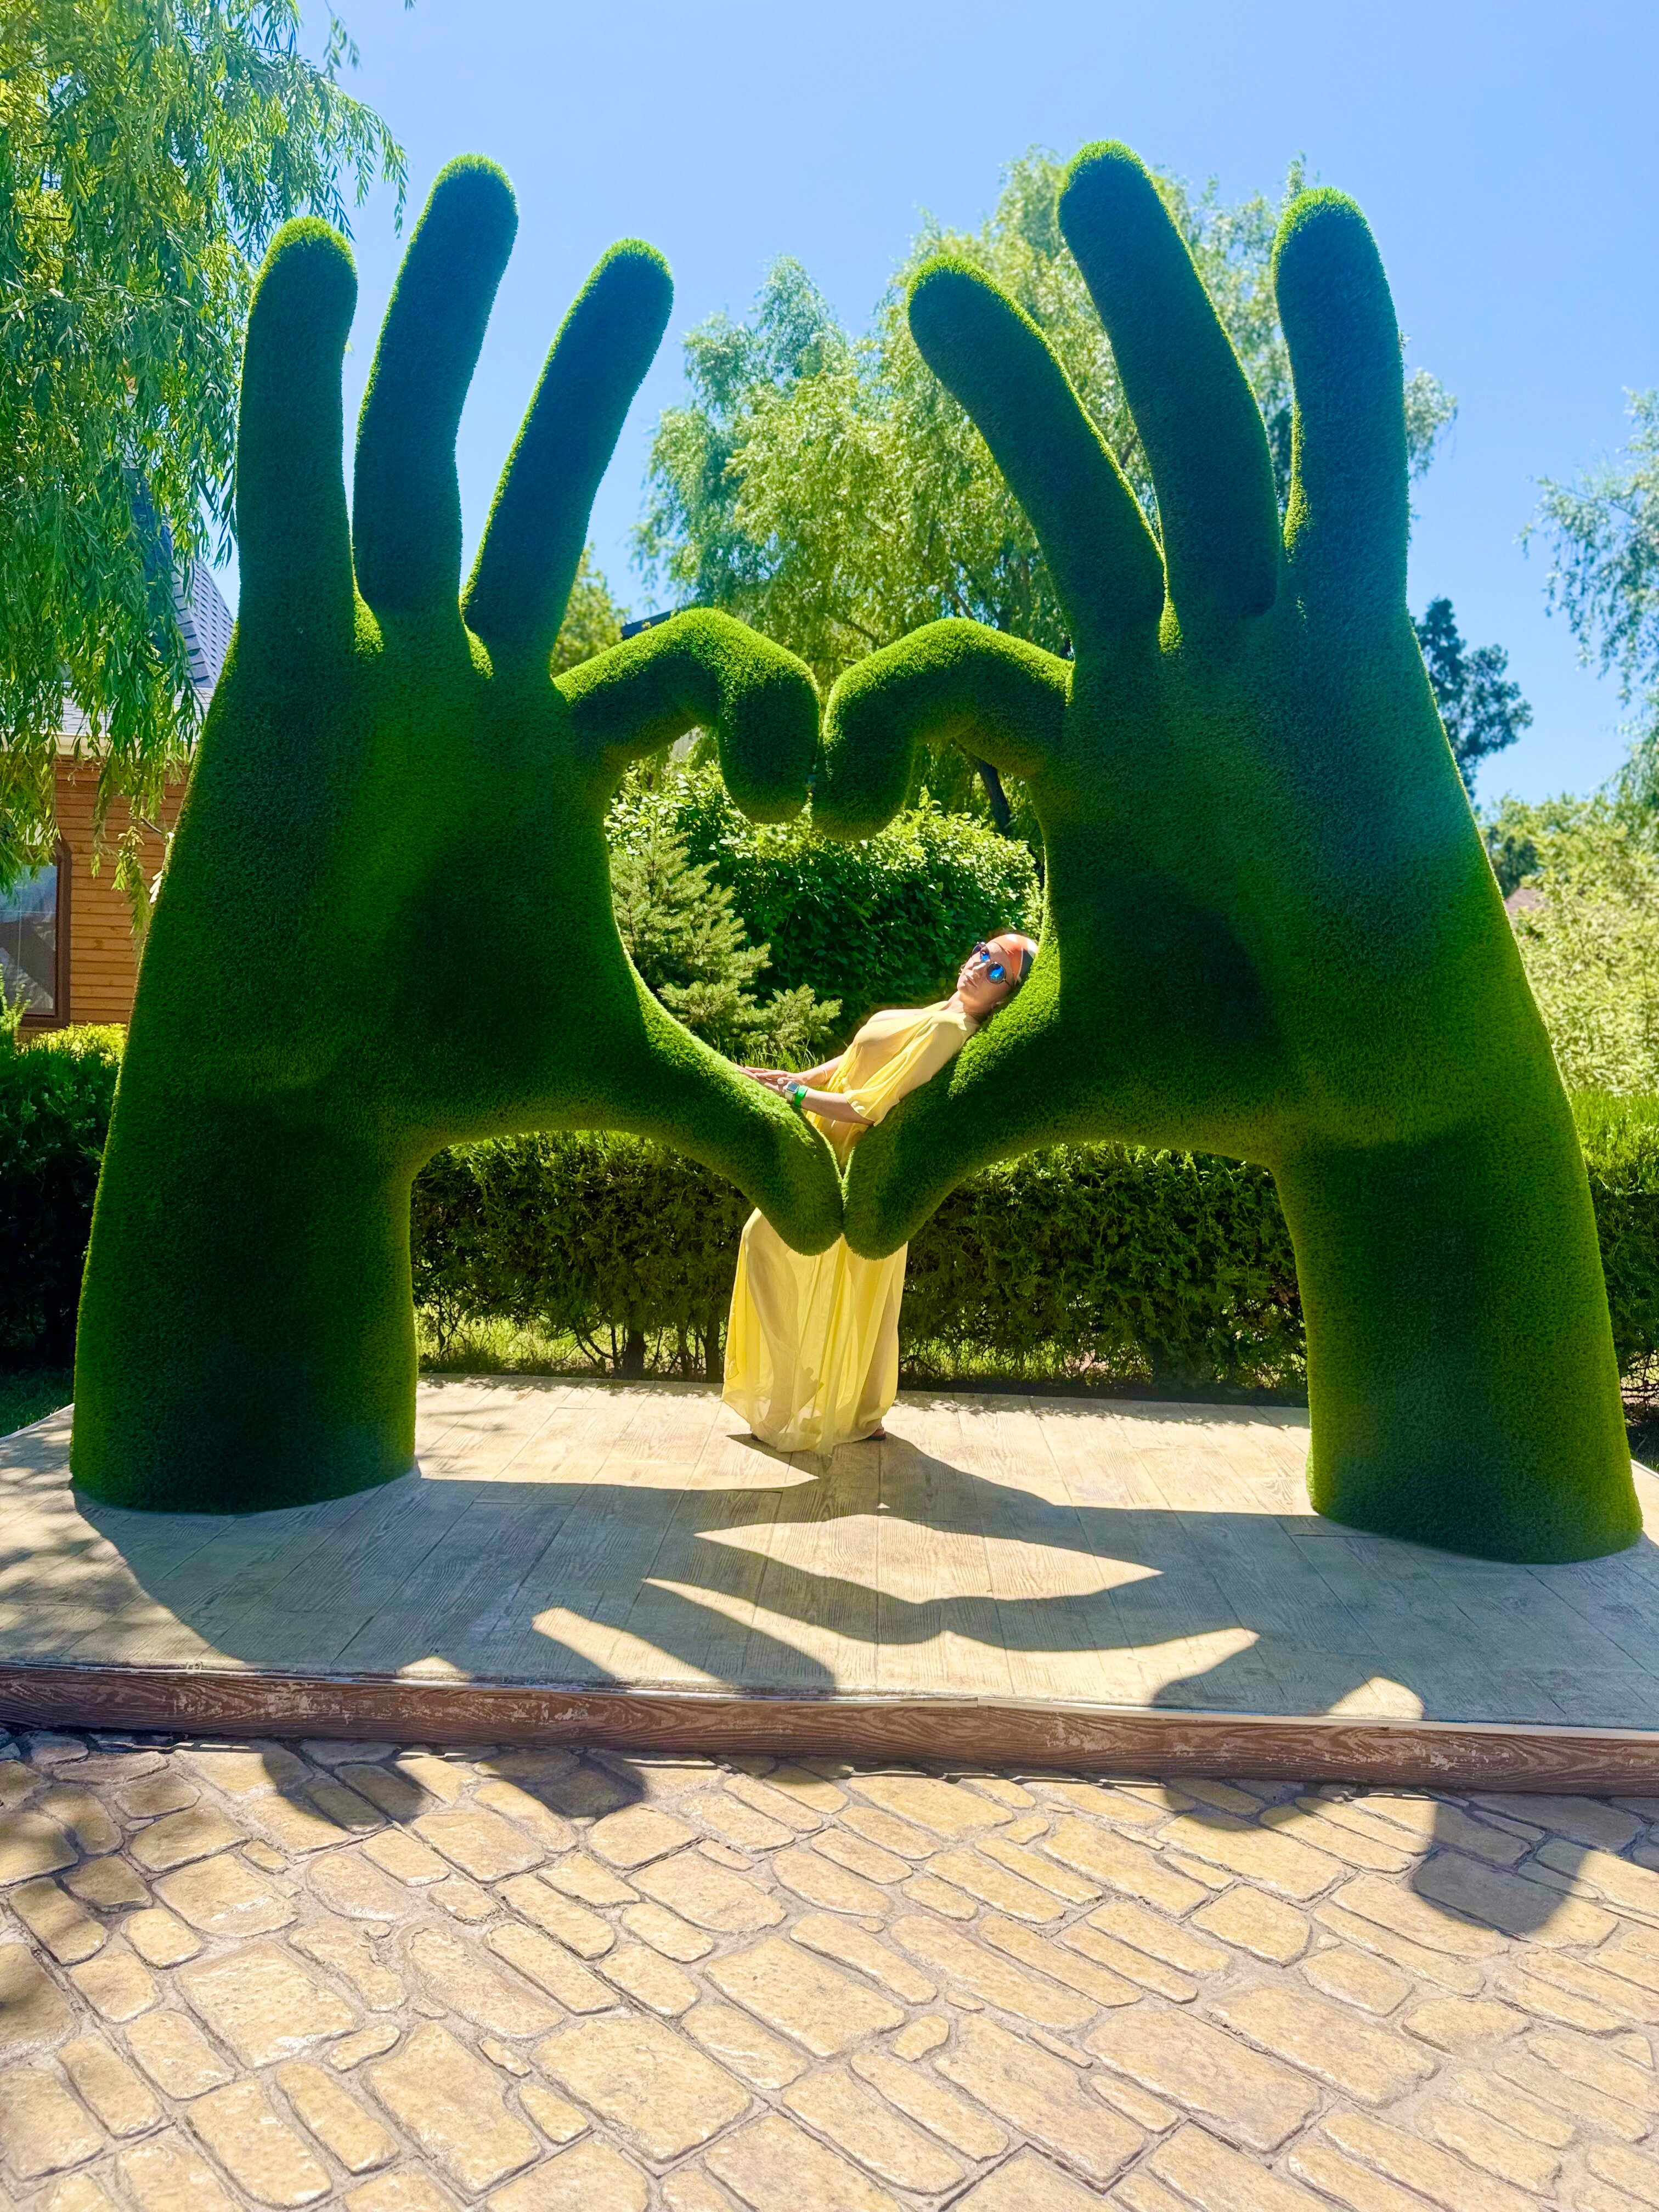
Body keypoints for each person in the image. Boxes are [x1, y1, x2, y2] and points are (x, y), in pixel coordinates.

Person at [723, 931, 1038, 1454]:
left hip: (855, 1157)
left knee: (772, 1244)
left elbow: (868, 1107)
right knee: (855, 1283)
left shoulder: (949, 1028)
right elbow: (855, 1061)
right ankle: (863, 1411)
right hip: (831, 1139)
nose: (981, 965)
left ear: (1005, 997)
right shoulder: (938, 1011)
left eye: (998, 971)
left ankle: (816, 1389)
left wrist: (797, 1095)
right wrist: (795, 1078)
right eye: (984, 952)